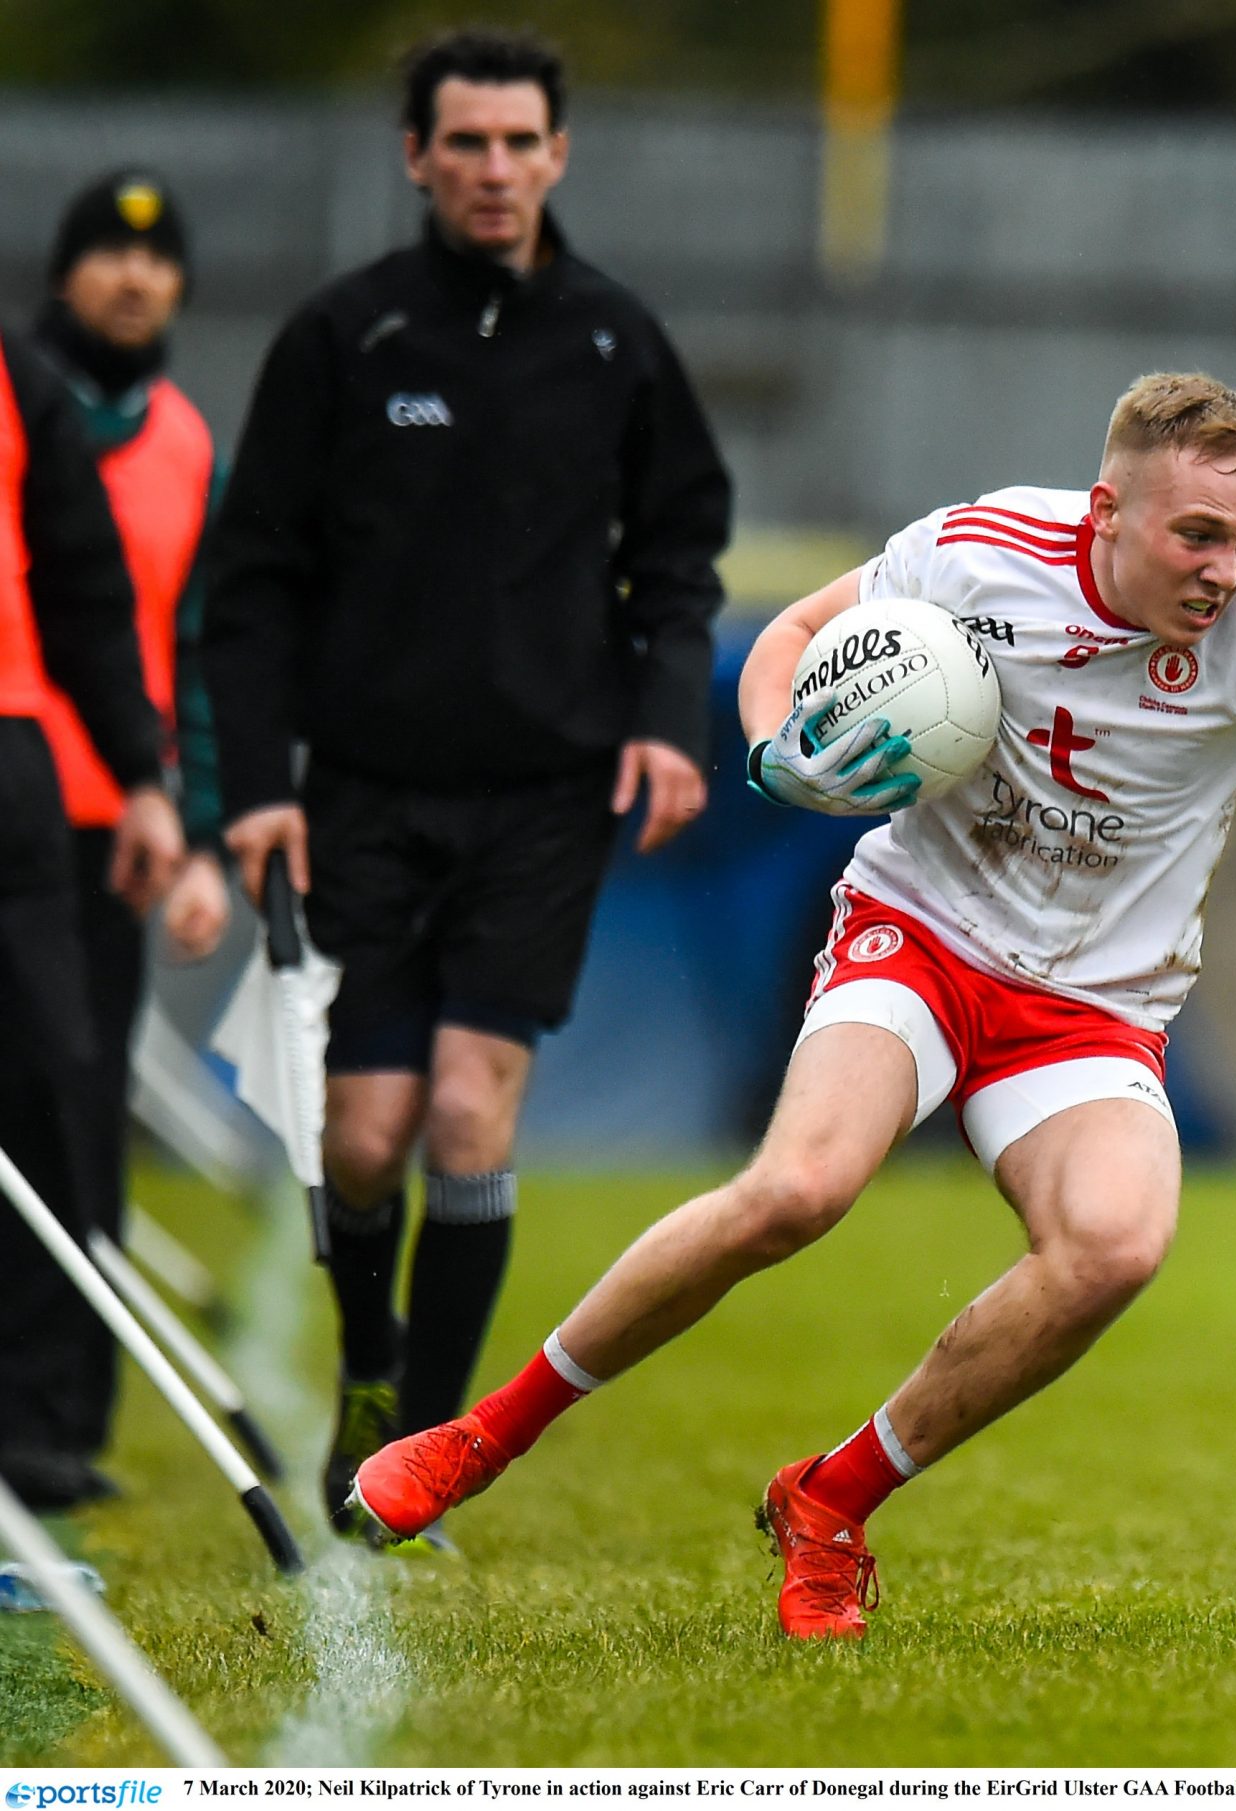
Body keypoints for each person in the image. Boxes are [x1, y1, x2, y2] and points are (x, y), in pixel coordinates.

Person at [347, 370, 1236, 1636]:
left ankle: (829, 1501)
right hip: (919, 930)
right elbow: (797, 627)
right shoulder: (979, 551)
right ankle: (481, 1436)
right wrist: (779, 738)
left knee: (1114, 1241)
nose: (1229, 566)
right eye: (1196, 535)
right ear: (1107, 509)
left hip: (1092, 1007)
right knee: (799, 1187)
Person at [201, 28, 733, 1542]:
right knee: (363, 1138)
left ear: (559, 154)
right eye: (467, 144)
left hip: (545, 799)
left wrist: (662, 717)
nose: (495, 169)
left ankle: (421, 1443)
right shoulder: (344, 339)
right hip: (365, 794)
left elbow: (679, 550)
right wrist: (258, 783)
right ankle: (372, 1361)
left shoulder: (618, 343)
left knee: (467, 1110)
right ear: (417, 157)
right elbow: (250, 581)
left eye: (521, 142)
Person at [20, 169, 233, 1481]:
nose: (132, 277)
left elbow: (188, 648)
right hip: (14, 797)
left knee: (78, 1114)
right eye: (104, 252)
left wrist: (197, 824)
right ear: (62, 272)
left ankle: (56, 1419)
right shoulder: (25, 406)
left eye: (154, 259)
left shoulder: (185, 440)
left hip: (108, 823)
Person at [0, 317, 184, 1510]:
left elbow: (83, 585)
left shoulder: (17, 377)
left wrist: (143, 776)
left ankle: (41, 1421)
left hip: (11, 753)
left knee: (55, 1081)